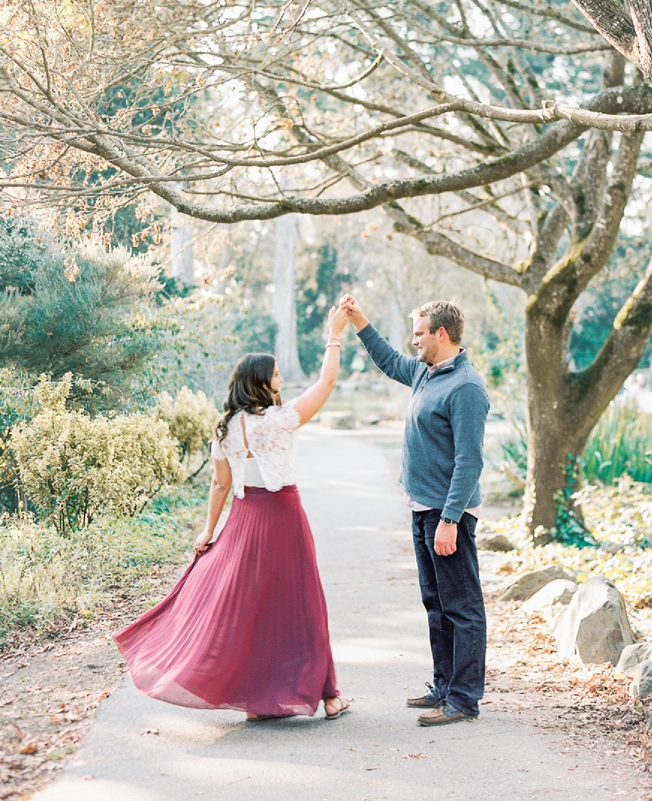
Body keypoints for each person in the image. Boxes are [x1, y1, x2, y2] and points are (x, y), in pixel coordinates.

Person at [114, 306, 352, 721]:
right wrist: (334, 334)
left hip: (244, 519)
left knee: (250, 606)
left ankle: (258, 699)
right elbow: (327, 381)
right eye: (276, 375)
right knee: (302, 602)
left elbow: (220, 485)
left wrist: (208, 531)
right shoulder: (279, 420)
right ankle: (329, 696)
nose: (280, 380)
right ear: (261, 382)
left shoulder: (224, 427)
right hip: (282, 516)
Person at [338, 294, 490, 727]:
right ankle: (444, 688)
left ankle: (464, 699)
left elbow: (469, 461)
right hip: (423, 508)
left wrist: (449, 520)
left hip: (448, 514)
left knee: (462, 606)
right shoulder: (427, 372)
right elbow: (389, 361)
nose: (414, 340)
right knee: (436, 603)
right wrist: (361, 322)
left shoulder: (466, 388)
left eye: (420, 333)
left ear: (442, 335)